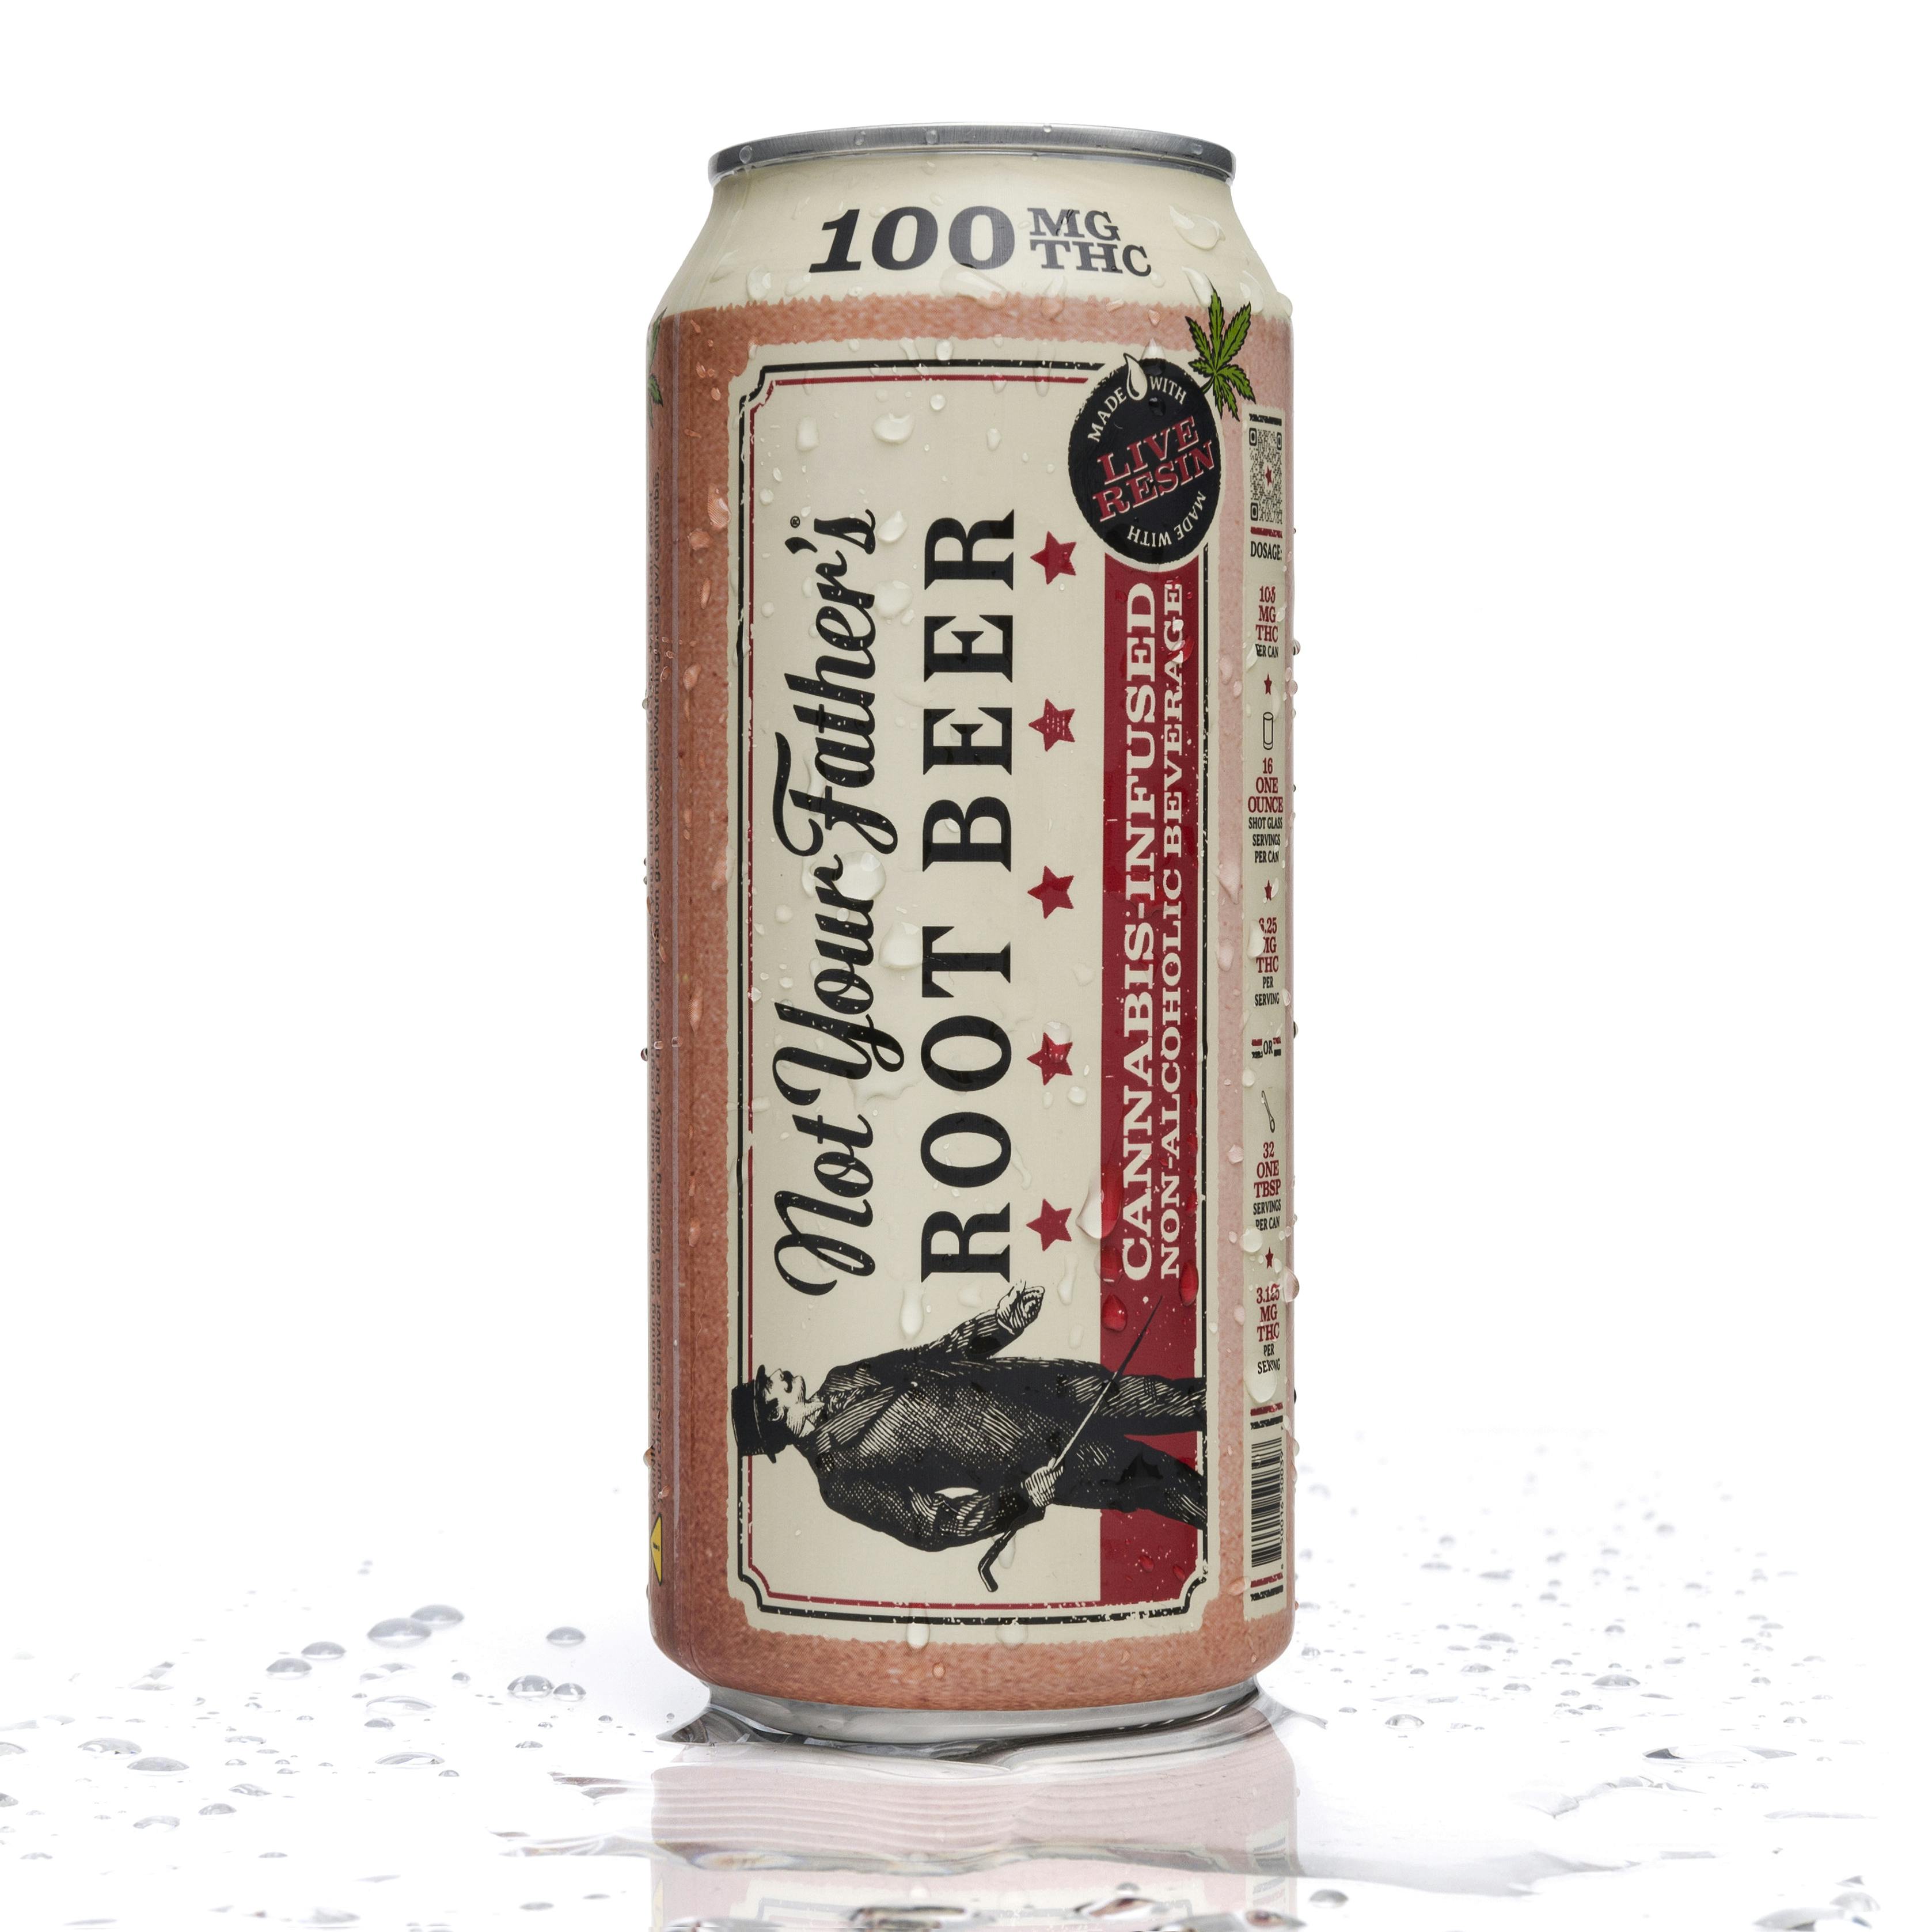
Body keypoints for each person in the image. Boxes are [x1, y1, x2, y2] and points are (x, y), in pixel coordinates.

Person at [730, 1283, 1204, 1553]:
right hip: (1044, 1457)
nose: (779, 1374)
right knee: (1166, 1482)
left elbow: (931, 1356)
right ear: (776, 1416)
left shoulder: (840, 1378)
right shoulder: (837, 1479)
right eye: (771, 1385)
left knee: (1178, 1398)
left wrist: (1001, 1323)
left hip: (1046, 1386)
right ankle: (1235, 1529)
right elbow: (932, 1523)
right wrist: (1020, 1500)